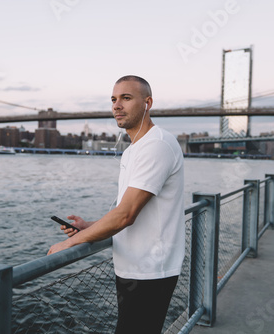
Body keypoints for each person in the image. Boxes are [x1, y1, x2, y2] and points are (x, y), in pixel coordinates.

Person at [48, 75, 185, 334]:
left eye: (126, 98)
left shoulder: (157, 145)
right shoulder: (134, 149)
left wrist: (70, 243)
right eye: (113, 99)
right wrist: (88, 227)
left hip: (150, 270)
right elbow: (126, 210)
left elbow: (126, 215)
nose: (116, 105)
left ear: (148, 103)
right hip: (132, 267)